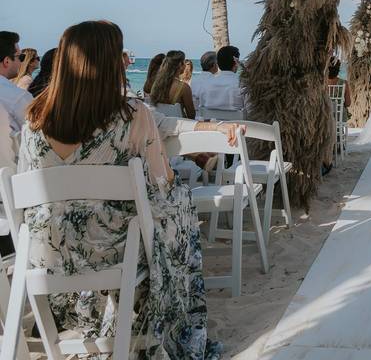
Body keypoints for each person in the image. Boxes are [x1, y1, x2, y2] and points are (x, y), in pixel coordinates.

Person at [19, 20, 222, 358]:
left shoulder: (34, 119)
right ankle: (159, 320)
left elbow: (30, 186)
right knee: (178, 206)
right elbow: (162, 182)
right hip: (113, 253)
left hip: (49, 255)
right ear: (110, 61)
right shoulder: (131, 114)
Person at [197, 45, 246, 114]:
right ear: (236, 63)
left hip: (213, 124)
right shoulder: (242, 84)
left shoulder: (206, 84)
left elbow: (202, 109)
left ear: (218, 63)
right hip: (238, 124)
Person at [0, 32, 32, 136]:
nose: (21, 62)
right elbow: (36, 135)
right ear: (7, 61)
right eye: (20, 57)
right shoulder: (19, 97)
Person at [150, 50, 196, 119]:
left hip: (158, 124)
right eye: (183, 63)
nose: (184, 65)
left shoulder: (156, 85)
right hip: (178, 126)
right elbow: (191, 115)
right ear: (180, 65)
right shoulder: (184, 88)